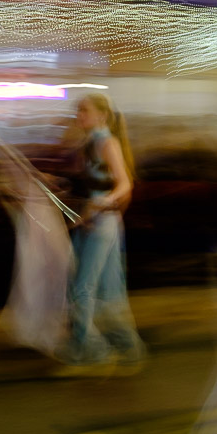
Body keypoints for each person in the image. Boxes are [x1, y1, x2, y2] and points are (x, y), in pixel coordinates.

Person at [57, 93, 145, 365]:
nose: (78, 115)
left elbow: (124, 185)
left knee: (82, 287)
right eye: (77, 110)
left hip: (101, 222)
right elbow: (93, 183)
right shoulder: (91, 143)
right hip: (97, 221)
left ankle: (91, 349)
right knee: (110, 287)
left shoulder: (107, 142)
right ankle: (128, 345)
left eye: (83, 110)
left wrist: (99, 204)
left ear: (101, 115)